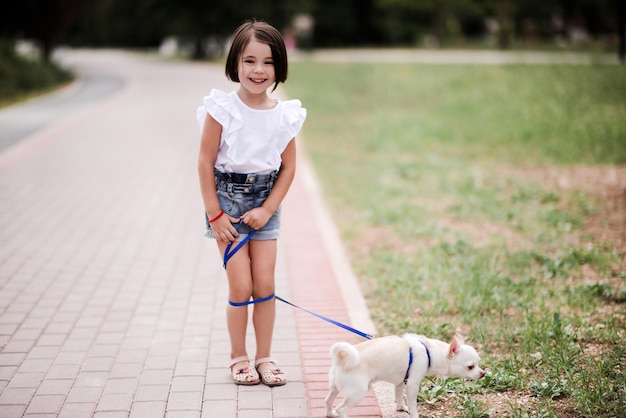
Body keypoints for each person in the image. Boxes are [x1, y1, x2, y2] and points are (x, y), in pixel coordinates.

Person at [196, 20, 306, 386]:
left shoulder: (284, 114)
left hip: (265, 204)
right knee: (240, 286)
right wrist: (215, 214)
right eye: (250, 61)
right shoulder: (222, 108)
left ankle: (265, 357)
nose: (259, 70)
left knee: (265, 285)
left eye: (269, 62)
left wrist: (267, 208)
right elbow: (204, 162)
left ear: (279, 67)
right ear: (236, 63)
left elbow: (289, 167)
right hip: (226, 205)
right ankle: (237, 356)